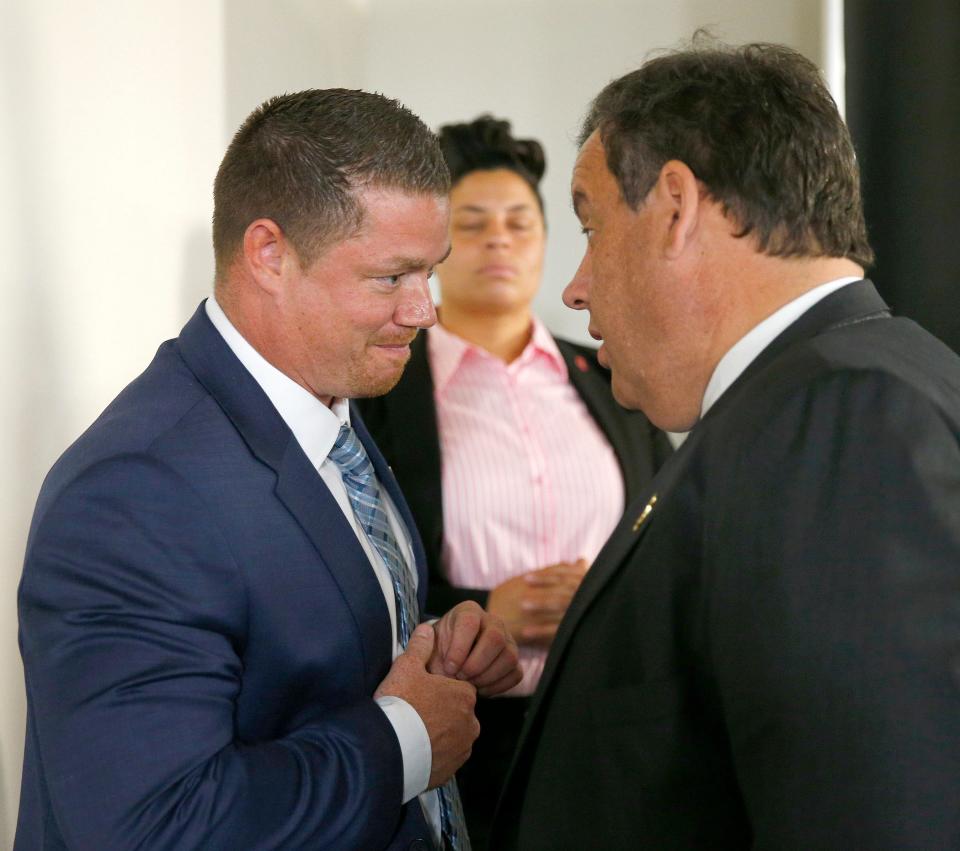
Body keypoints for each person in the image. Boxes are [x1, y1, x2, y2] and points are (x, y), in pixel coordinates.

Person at [16, 88, 522, 851]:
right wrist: (406, 741)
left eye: (431, 271)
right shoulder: (134, 491)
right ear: (268, 254)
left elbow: (295, 649)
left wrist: (424, 639)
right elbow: (153, 827)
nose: (425, 309)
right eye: (391, 277)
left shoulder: (336, 410)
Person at [491, 40, 960, 850]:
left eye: (592, 227)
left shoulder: (840, 418)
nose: (574, 286)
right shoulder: (810, 402)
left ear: (675, 207)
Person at [356, 115, 668, 847]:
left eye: (518, 222)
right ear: (435, 248)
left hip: (614, 729)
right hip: (467, 739)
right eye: (472, 223)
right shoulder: (382, 391)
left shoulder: (615, 372)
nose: (499, 239)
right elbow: (354, 567)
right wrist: (483, 608)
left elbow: (667, 531)